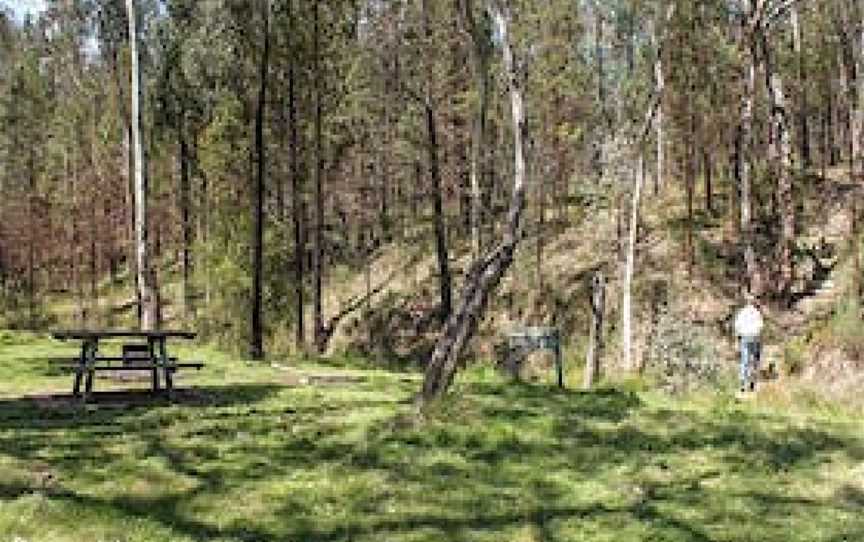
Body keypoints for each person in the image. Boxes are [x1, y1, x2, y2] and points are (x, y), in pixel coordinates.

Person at [734, 293, 764, 392]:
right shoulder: (757, 313)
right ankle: (752, 383)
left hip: (745, 337)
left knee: (744, 360)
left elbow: (737, 326)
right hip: (755, 337)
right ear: (754, 302)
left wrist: (738, 336)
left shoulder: (742, 313)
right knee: (754, 360)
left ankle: (742, 383)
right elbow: (760, 326)